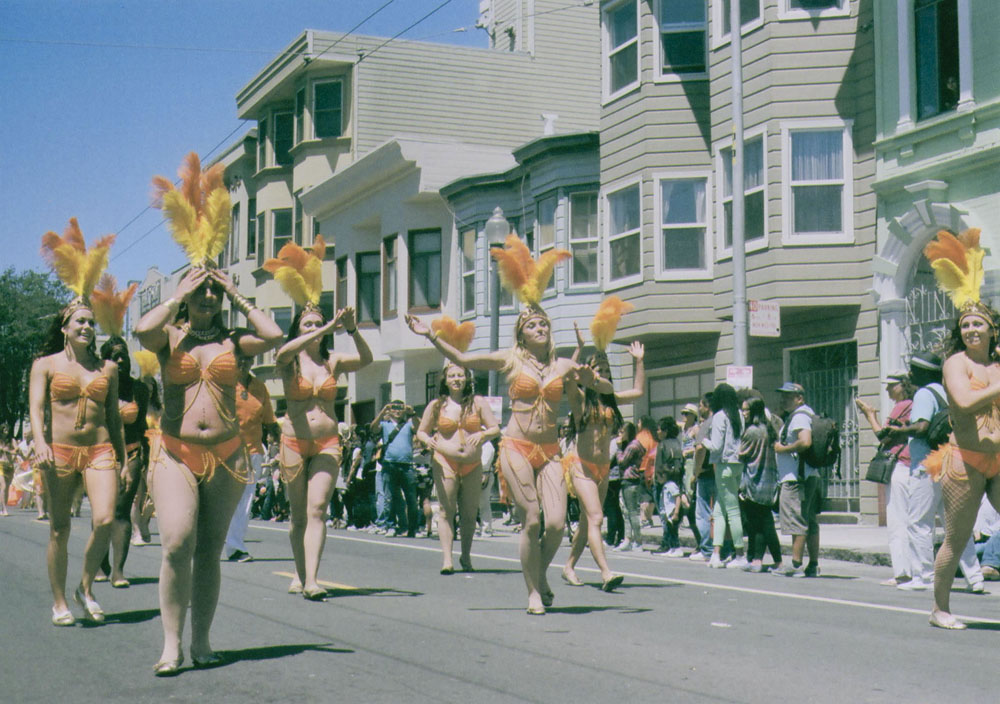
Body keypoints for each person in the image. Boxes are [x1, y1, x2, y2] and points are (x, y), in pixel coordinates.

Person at [406, 233, 610, 615]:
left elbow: (607, 388)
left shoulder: (563, 365)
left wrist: (593, 379)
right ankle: (533, 591)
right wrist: (430, 335)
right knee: (530, 520)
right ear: (521, 334)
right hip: (516, 448)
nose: (541, 330)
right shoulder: (509, 361)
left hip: (550, 453)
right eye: (533, 326)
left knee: (554, 526)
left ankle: (542, 573)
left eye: (544, 325)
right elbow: (464, 361)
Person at [138, 153, 284, 674]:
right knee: (177, 541)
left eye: (210, 293)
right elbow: (140, 330)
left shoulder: (234, 339)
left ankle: (201, 640)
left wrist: (236, 295)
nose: (205, 299)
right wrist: (179, 291)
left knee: (210, 551)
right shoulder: (169, 337)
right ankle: (171, 643)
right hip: (176, 452)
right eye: (199, 292)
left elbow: (275, 335)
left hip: (227, 455)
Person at [32, 222, 125, 627]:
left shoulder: (108, 368)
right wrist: (40, 442)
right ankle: (59, 601)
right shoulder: (46, 365)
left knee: (104, 519)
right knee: (59, 529)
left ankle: (85, 587)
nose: (88, 327)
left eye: (91, 321)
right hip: (60, 451)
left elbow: (113, 419)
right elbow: (37, 409)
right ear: (66, 328)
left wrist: (121, 457)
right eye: (80, 322)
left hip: (100, 448)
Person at [920, 228, 1000, 628]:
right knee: (957, 537)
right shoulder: (956, 363)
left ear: (991, 330)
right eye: (965, 325)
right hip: (964, 461)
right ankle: (940, 609)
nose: (970, 330)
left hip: (997, 459)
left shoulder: (997, 365)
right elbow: (966, 402)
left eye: (977, 325)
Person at [561, 300, 642, 590]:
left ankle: (569, 566)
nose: (600, 373)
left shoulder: (610, 399)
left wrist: (638, 360)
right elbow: (567, 377)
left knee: (587, 523)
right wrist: (579, 350)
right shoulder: (579, 399)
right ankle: (606, 572)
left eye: (604, 369)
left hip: (603, 468)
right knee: (596, 516)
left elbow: (639, 390)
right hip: (580, 466)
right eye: (596, 369)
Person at [416, 319, 500, 573]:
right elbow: (421, 430)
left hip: (472, 463)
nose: (456, 379)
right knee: (446, 509)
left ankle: (465, 556)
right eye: (452, 375)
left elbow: (496, 428)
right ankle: (447, 559)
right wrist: (428, 440)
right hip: (445, 460)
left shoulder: (478, 402)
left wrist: (484, 436)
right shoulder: (436, 405)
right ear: (445, 379)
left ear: (467, 378)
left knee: (468, 511)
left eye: (460, 375)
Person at [97, 332, 150, 587]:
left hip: (131, 452)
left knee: (121, 511)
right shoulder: (96, 385)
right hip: (101, 454)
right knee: (102, 512)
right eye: (113, 357)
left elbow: (141, 426)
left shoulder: (139, 388)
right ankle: (100, 563)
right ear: (104, 360)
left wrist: (146, 458)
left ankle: (118, 570)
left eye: (123, 357)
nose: (120, 362)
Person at [856, 371, 915, 586]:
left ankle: (902, 572)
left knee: (897, 520)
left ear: (903, 385)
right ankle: (914, 569)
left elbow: (882, 435)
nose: (888, 389)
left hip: (900, 463)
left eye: (892, 386)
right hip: (912, 463)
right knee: (910, 520)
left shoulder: (903, 405)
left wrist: (869, 414)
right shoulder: (912, 405)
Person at [224, 353, 279, 563]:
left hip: (253, 451)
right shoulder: (224, 384)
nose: (244, 362)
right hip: (225, 451)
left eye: (248, 358)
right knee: (221, 501)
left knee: (245, 501)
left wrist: (282, 444)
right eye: (240, 357)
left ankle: (235, 546)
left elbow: (269, 421)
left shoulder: (259, 387)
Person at [773, 382, 820, 577]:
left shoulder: (799, 417)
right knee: (809, 520)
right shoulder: (804, 415)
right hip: (807, 476)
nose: (783, 399)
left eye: (788, 396)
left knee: (796, 520)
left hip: (796, 479)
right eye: (782, 395)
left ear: (799, 398)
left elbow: (805, 441)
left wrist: (782, 448)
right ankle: (812, 565)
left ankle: (795, 565)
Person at [702, 383, 747, 568]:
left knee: (732, 511)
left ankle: (740, 555)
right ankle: (716, 554)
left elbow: (716, 446)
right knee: (720, 510)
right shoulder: (739, 416)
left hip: (724, 465)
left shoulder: (720, 417)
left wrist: (702, 439)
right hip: (737, 465)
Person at [738, 394, 782, 573]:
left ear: (754, 411)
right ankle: (757, 558)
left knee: (759, 523)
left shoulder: (752, 431)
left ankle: (769, 560)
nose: (743, 413)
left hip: (755, 480)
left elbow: (741, 454)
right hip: (769, 480)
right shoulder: (769, 428)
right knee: (763, 521)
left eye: (746, 409)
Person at [371, 401, 419, 537]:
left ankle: (412, 528)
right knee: (389, 497)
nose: (397, 411)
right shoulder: (385, 425)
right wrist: (382, 411)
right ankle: (391, 525)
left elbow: (420, 428)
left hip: (406, 465)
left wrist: (413, 413)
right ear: (390, 411)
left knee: (411, 499)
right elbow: (373, 428)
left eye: (400, 409)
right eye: (394, 408)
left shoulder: (409, 424)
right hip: (390, 464)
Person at [651, 416, 685, 557]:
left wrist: (658, 480)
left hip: (664, 482)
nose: (657, 432)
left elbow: (659, 466)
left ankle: (668, 543)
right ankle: (670, 543)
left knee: (665, 514)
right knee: (672, 514)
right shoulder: (677, 443)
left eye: (659, 429)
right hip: (675, 481)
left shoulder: (663, 444)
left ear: (665, 431)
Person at [689, 394, 716, 562]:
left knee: (704, 512)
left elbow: (700, 449)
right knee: (720, 512)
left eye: (700, 405)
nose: (699, 409)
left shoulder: (706, 425)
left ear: (707, 406)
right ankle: (723, 548)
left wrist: (695, 472)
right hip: (719, 471)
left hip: (706, 473)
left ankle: (706, 549)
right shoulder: (723, 422)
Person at [616, 422, 645, 552]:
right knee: (626, 512)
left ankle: (637, 541)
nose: (620, 435)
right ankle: (628, 539)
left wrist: (618, 448)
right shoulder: (632, 444)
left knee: (632, 512)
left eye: (623, 432)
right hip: (627, 480)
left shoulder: (632, 445)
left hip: (630, 479)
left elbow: (622, 462)